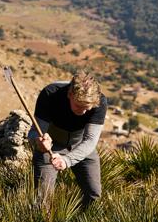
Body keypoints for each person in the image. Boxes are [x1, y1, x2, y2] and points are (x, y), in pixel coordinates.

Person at [28, 71, 108, 207]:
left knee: (94, 194)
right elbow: (34, 133)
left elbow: (90, 141)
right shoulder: (50, 94)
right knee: (43, 200)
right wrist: (39, 142)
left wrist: (67, 160)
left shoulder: (100, 101)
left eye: (87, 108)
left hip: (81, 145)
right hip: (51, 147)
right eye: (78, 106)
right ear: (69, 94)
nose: (83, 112)